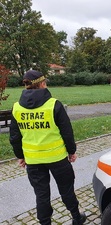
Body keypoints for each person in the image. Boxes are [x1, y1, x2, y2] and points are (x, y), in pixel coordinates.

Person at [9, 70, 86, 225]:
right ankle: (77, 217)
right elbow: (67, 131)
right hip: (57, 158)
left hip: (33, 160)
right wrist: (71, 151)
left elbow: (15, 137)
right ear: (43, 83)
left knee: (41, 195)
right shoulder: (53, 104)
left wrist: (21, 156)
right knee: (66, 190)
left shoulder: (17, 108)